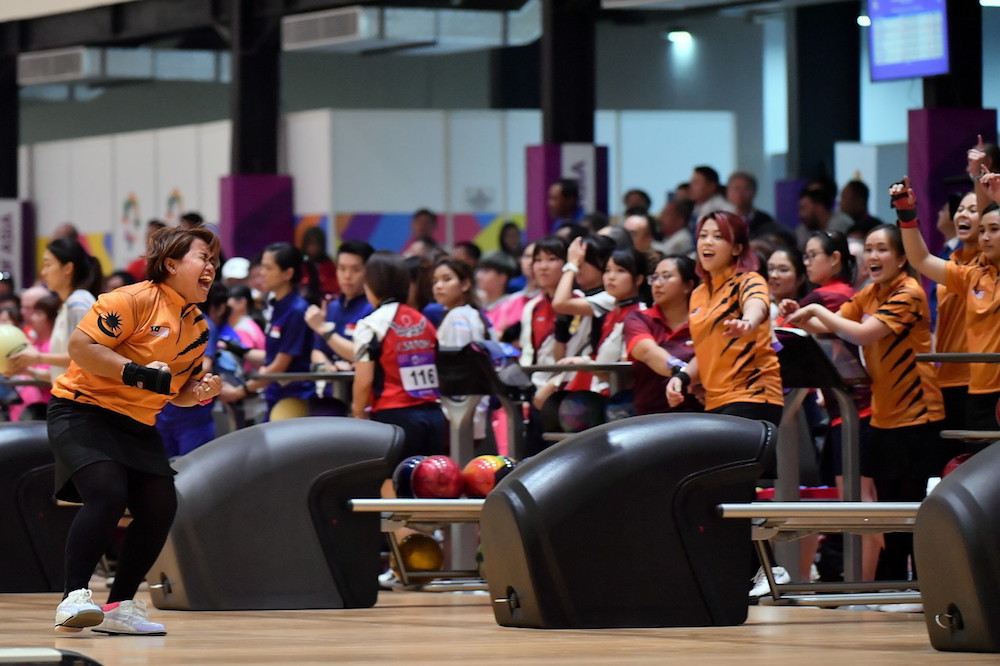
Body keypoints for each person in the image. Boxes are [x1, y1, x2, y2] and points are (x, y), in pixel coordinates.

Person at [48, 226, 222, 635]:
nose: (211, 268)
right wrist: (137, 372)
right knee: (107, 493)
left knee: (160, 506)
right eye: (203, 258)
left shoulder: (197, 327)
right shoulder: (129, 300)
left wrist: (200, 392)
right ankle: (73, 598)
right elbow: (81, 348)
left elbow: (176, 391)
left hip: (137, 423)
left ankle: (119, 607)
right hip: (83, 410)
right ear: (171, 264)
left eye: (214, 261)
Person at [785, 222, 945, 582]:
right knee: (889, 511)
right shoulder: (870, 292)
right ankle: (894, 585)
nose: (873, 256)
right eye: (869, 249)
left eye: (882, 249)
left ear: (902, 258)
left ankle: (919, 587)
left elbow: (861, 333)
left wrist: (816, 311)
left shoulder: (908, 293)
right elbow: (832, 326)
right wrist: (802, 316)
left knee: (911, 510)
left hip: (918, 415)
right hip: (883, 417)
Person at [891, 177, 999, 438]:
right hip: (979, 392)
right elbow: (920, 259)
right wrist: (906, 214)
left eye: (994, 229)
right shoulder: (972, 275)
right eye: (982, 230)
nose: (985, 237)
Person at [666, 211, 783, 429]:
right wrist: (682, 377)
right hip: (715, 400)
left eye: (718, 236)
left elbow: (756, 304)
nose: (708, 242)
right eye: (703, 236)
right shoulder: (698, 294)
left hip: (753, 396)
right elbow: (707, 350)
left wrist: (747, 323)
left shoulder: (749, 280)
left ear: (737, 248)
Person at [352, 251, 446, 460]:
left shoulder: (370, 325)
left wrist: (358, 413)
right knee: (429, 478)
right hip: (433, 417)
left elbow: (364, 380)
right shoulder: (423, 322)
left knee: (392, 478)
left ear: (372, 284)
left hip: (394, 418)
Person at [221, 242, 314, 416]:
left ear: (288, 273)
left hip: (293, 397)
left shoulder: (297, 310)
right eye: (262, 267)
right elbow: (271, 356)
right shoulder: (276, 305)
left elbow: (278, 366)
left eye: (268, 268)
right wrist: (237, 349)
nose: (262, 273)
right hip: (274, 394)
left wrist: (240, 391)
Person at [7, 237, 97, 386]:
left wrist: (38, 358)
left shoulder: (78, 302)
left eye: (48, 265)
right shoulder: (67, 305)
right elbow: (63, 374)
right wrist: (28, 371)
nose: (43, 273)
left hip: (80, 398)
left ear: (68, 268)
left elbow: (84, 357)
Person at [625, 254, 701, 415]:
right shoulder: (639, 318)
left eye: (666, 277)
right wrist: (687, 377)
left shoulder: (704, 320)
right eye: (655, 277)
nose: (657, 284)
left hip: (700, 413)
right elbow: (647, 352)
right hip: (650, 415)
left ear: (688, 285)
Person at [433, 257, 495, 443]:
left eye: (447, 279)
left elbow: (459, 371)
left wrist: (454, 410)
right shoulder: (475, 314)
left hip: (459, 411)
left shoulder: (457, 317)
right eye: (435, 281)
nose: (439, 286)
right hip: (476, 407)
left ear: (466, 284)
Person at [304, 240, 375, 371]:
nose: (347, 276)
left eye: (356, 270)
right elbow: (318, 349)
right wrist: (330, 368)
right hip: (331, 382)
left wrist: (323, 330)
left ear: (369, 272)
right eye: (342, 269)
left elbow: (364, 354)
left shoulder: (374, 308)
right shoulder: (332, 307)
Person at [765, 247, 806, 323]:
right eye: (770, 268)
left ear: (800, 278)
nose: (774, 275)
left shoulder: (805, 314)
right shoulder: (760, 306)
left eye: (783, 270)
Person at [300, 226, 338, 297]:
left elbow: (334, 284)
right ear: (305, 244)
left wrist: (321, 281)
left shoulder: (327, 263)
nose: (314, 247)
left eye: (317, 244)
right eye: (311, 243)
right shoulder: (299, 261)